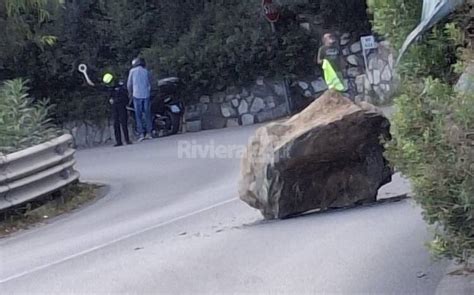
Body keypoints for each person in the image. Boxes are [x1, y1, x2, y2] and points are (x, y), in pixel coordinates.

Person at [102, 73, 132, 147]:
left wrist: (115, 100)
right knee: (116, 124)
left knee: (124, 123)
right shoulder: (109, 88)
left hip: (121, 106)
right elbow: (108, 96)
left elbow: (125, 98)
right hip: (114, 108)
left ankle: (127, 139)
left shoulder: (120, 86)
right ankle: (118, 141)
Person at [127, 57, 153, 141]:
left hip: (136, 95)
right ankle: (149, 133)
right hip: (146, 94)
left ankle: (141, 134)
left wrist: (130, 93)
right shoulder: (146, 71)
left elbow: (129, 84)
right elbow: (150, 83)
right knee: (147, 114)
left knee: (138, 115)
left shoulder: (132, 71)